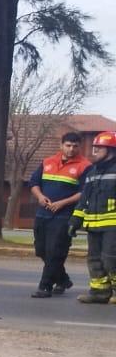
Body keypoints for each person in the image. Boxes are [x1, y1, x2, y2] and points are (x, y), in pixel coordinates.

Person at [27, 133, 91, 297]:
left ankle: (45, 287)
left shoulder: (85, 166)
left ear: (80, 146)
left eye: (75, 146)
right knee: (41, 250)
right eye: (68, 145)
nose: (71, 149)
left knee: (55, 251)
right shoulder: (47, 162)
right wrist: (40, 197)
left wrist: (62, 203)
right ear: (61, 145)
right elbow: (34, 183)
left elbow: (85, 192)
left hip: (65, 216)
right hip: (43, 214)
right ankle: (62, 279)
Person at [70, 130, 116, 304]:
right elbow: (84, 200)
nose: (93, 152)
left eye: (99, 148)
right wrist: (75, 221)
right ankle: (99, 292)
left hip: (113, 226)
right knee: (94, 259)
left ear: (111, 151)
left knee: (111, 259)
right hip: (93, 225)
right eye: (94, 148)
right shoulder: (92, 173)